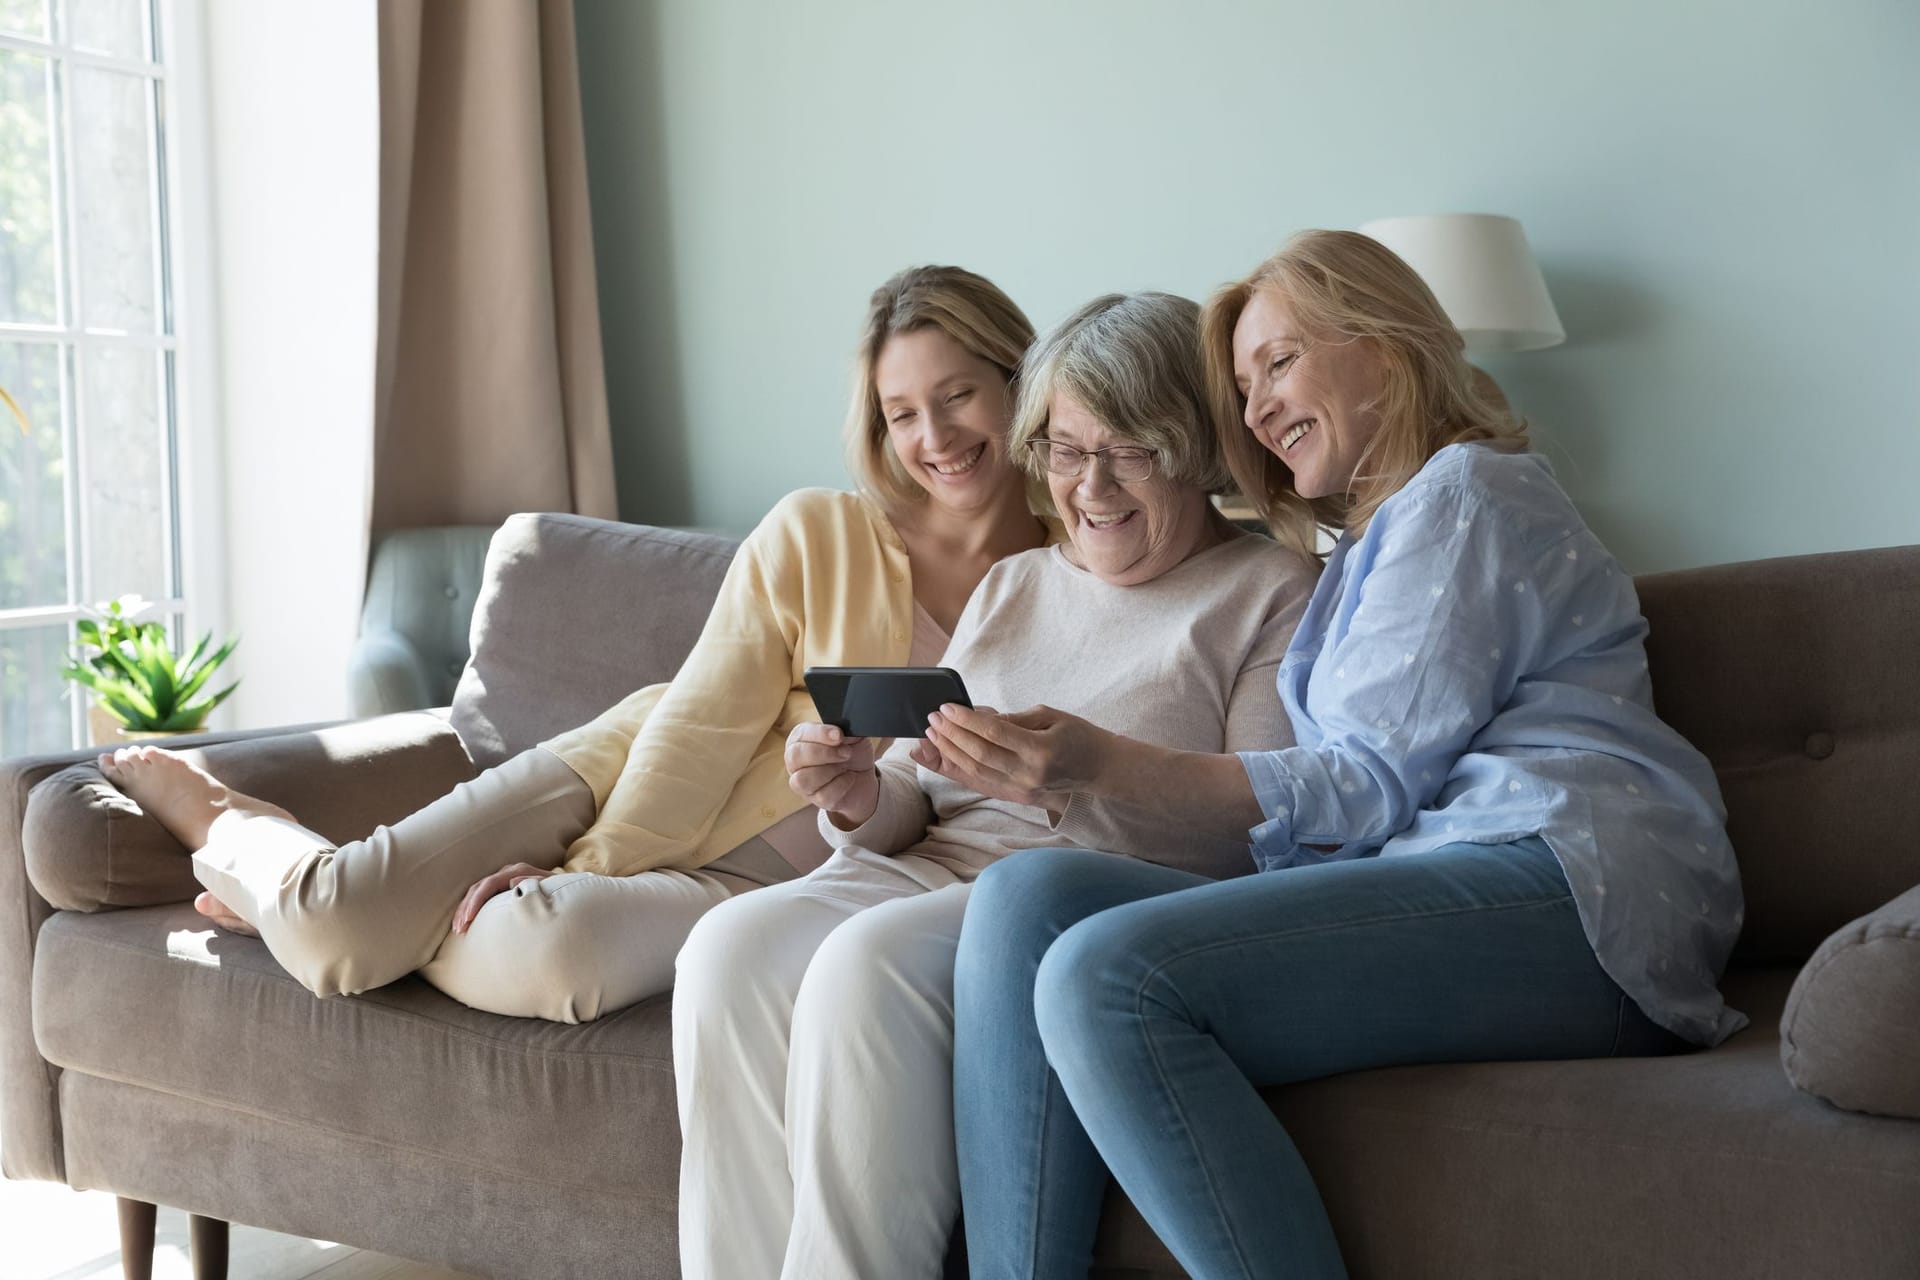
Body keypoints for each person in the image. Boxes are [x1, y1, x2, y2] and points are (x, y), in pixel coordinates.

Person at [942, 230, 1748, 1280]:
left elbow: (1360, 784)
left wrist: (1095, 765)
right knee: (1026, 896)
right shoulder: (1375, 540)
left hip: (1572, 883)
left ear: (1389, 347)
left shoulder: (1466, 493)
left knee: (1109, 976)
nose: (1259, 406)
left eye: (1281, 361)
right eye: (1243, 385)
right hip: (1466, 876)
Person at [94, 264, 1051, 1024]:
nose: (935, 436)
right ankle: (230, 824)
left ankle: (319, 911)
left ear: (1020, 380)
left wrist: (578, 897)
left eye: (959, 396)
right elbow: (705, 718)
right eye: (902, 414)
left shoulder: (1078, 574)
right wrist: (591, 865)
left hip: (761, 887)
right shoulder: (823, 533)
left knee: (539, 954)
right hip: (629, 771)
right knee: (338, 922)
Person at [671, 291, 1319, 1279]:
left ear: (1189, 444)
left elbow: (1256, 830)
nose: (1088, 486)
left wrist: (1072, 782)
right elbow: (908, 802)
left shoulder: (1270, 589)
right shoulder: (1017, 583)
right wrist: (850, 790)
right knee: (726, 943)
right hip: (927, 867)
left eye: (1127, 450)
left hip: (1070, 897)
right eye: (1063, 449)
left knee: (861, 966)